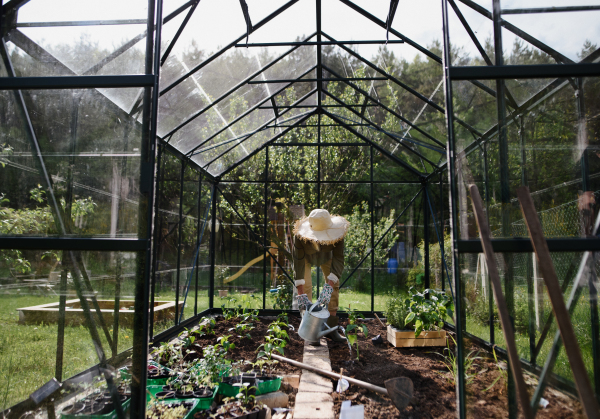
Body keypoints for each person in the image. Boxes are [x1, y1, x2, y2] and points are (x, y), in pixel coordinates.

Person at [293, 209, 348, 342]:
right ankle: (308, 329)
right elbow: (298, 262)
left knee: (334, 287)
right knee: (305, 287)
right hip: (305, 258)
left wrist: (329, 285)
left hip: (327, 258)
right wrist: (300, 294)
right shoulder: (300, 236)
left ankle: (331, 328)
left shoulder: (338, 234)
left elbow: (339, 259)